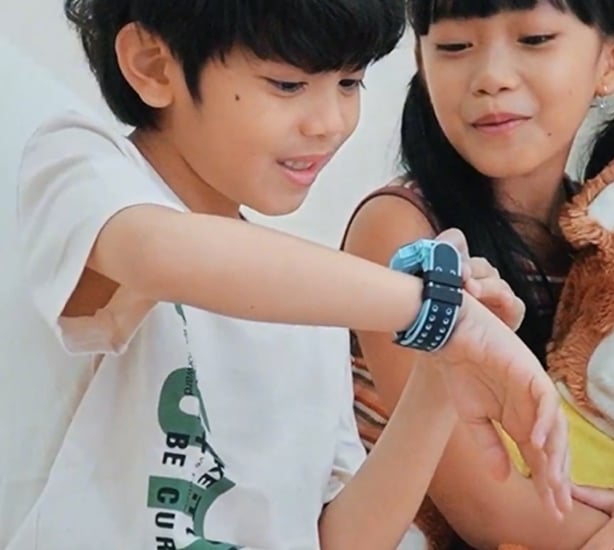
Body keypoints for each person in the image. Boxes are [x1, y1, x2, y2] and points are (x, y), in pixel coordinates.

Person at [2, 1, 573, 548]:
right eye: (287, 84)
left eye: (349, 83)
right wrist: (434, 306)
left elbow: (338, 540)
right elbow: (155, 252)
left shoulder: (312, 301)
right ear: (153, 66)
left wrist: (439, 373)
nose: (329, 123)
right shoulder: (82, 169)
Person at [342, 0, 614, 549]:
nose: (492, 78)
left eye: (533, 40)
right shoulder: (405, 234)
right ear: (422, 61)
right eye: (455, 47)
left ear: (613, 59)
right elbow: (489, 510)